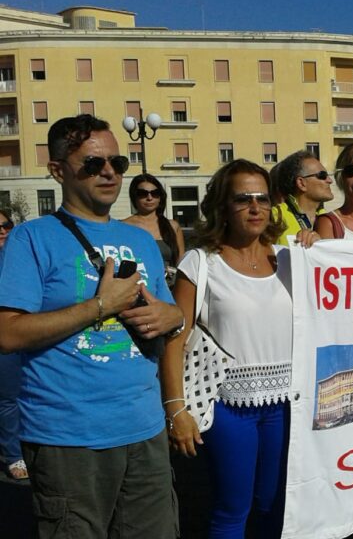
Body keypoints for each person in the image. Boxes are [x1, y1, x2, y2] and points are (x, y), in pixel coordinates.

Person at [0, 114, 183, 537]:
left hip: (144, 427)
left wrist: (169, 316)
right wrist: (101, 305)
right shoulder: (32, 238)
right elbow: (8, 333)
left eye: (117, 163)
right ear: (58, 170)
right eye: (92, 163)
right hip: (68, 437)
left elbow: (172, 312)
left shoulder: (139, 239)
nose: (108, 172)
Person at [161, 159, 316, 538]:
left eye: (262, 198)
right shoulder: (200, 263)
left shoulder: (290, 258)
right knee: (233, 508)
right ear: (222, 207)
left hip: (286, 405)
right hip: (227, 405)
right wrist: (176, 409)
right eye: (242, 198)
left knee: (273, 504)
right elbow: (174, 340)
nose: (255, 207)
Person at [0, 209, 27, 481]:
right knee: (8, 398)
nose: (1, 230)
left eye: (6, 225)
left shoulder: (22, 256)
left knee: (20, 395)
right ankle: (13, 454)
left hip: (26, 333)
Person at [123, 173, 185, 286]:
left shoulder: (173, 226)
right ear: (134, 197)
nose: (149, 197)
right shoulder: (123, 226)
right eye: (143, 193)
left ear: (160, 197)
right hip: (139, 289)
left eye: (155, 193)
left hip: (170, 290)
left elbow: (182, 264)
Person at [270, 150, 334, 245]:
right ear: (301, 183)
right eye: (322, 175)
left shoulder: (330, 219)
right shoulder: (275, 216)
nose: (330, 180)